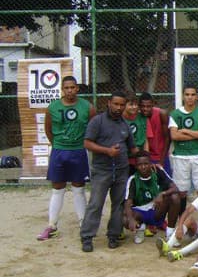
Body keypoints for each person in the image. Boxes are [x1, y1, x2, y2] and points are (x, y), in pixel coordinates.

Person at [38, 75, 96, 240]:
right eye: (66, 88)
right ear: (62, 90)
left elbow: (93, 129)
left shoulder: (87, 107)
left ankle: (83, 224)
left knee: (79, 188)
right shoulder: (53, 107)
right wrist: (58, 145)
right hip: (59, 152)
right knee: (57, 188)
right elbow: (48, 130)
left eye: (73, 87)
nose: (70, 90)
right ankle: (52, 225)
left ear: (77, 88)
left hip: (79, 151)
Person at [80, 91, 138, 252]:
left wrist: (146, 158)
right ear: (109, 103)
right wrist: (107, 151)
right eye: (116, 104)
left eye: (122, 105)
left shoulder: (124, 124)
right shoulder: (97, 121)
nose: (119, 108)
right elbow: (87, 143)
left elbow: (132, 147)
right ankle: (87, 236)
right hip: (102, 170)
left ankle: (113, 235)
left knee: (118, 204)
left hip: (121, 170)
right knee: (96, 203)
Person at [169, 84, 198, 213]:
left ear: (197, 97)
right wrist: (196, 134)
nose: (190, 97)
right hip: (180, 156)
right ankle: (181, 221)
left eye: (193, 94)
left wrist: (187, 131)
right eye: (187, 94)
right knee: (181, 192)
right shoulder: (175, 114)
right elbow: (174, 135)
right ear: (183, 96)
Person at [123, 151, 180, 244]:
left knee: (175, 197)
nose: (143, 167)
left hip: (156, 209)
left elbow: (175, 188)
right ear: (136, 166)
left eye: (146, 163)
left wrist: (162, 194)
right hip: (140, 212)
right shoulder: (133, 180)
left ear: (150, 163)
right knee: (125, 218)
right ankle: (140, 229)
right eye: (140, 164)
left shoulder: (158, 172)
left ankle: (170, 233)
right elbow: (128, 203)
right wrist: (131, 220)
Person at [138, 92, 171, 174]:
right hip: (146, 158)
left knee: (166, 183)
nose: (145, 109)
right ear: (139, 106)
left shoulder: (162, 114)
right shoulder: (137, 117)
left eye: (148, 106)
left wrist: (162, 160)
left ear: (153, 104)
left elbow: (168, 138)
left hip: (161, 155)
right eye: (143, 106)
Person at [122, 92, 149, 175]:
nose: (134, 107)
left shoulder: (142, 118)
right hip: (124, 158)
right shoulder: (119, 120)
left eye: (136, 104)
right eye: (131, 105)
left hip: (139, 158)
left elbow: (146, 139)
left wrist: (146, 156)